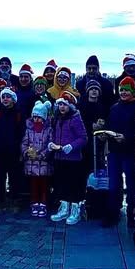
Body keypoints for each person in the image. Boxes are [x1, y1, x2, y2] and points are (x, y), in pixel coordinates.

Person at [102, 76, 135, 227]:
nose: (123, 93)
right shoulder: (114, 108)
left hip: (130, 151)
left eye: (126, 90)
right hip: (114, 151)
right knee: (113, 183)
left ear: (133, 91)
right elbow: (109, 125)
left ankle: (133, 213)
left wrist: (127, 138)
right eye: (121, 90)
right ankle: (113, 212)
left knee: (131, 184)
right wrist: (104, 133)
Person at [49, 92, 88, 225]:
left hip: (73, 158)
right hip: (59, 157)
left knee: (73, 184)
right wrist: (51, 144)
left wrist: (71, 146)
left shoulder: (75, 118)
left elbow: (83, 138)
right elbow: (54, 134)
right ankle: (64, 208)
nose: (62, 107)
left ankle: (75, 210)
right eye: (60, 104)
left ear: (70, 106)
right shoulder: (57, 118)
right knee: (61, 183)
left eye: (64, 105)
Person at [0, 88, 25, 212]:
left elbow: (22, 133)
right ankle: (0, 200)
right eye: (3, 97)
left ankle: (15, 199)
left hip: (14, 151)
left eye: (8, 97)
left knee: (14, 176)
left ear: (13, 99)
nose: (5, 99)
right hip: (0, 151)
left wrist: (21, 150)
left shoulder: (19, 114)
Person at [21, 101, 53, 217]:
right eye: (34, 117)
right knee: (34, 184)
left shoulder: (49, 130)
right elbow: (24, 143)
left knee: (44, 185)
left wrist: (43, 154)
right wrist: (26, 152)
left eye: (39, 117)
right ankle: (34, 202)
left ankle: (43, 203)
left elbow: (50, 144)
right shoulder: (29, 130)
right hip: (32, 162)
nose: (36, 120)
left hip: (44, 162)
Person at [78, 79, 109, 175]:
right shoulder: (81, 106)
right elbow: (79, 121)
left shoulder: (103, 106)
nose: (94, 91)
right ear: (88, 91)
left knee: (97, 163)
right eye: (91, 89)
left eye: (96, 89)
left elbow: (106, 120)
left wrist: (103, 127)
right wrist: (91, 125)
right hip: (85, 140)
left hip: (98, 140)